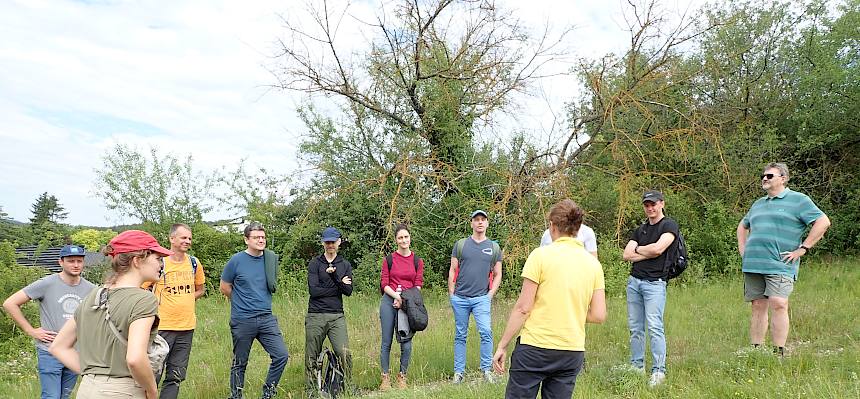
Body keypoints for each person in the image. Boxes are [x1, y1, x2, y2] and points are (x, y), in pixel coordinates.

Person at [493, 199, 606, 398]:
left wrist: (503, 345)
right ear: (578, 228)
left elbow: (523, 308)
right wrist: (571, 310)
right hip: (571, 351)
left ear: (552, 227)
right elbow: (598, 314)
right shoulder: (593, 264)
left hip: (535, 348)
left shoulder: (540, 256)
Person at [49, 230, 173, 399]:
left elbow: (58, 347)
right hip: (124, 391)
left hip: (87, 389)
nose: (161, 265)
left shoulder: (93, 296)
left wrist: (94, 375)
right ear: (137, 260)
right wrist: (151, 390)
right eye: (158, 259)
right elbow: (135, 358)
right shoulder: (144, 299)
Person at [736, 162, 830, 356]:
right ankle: (757, 350)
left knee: (779, 302)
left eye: (769, 176)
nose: (764, 178)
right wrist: (743, 249)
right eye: (763, 175)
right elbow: (742, 226)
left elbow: (823, 221)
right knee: (757, 305)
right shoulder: (759, 203)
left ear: (783, 178)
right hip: (754, 263)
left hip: (781, 263)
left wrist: (803, 248)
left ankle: (779, 352)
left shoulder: (799, 200)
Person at [3, 244, 95, 399]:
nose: (76, 265)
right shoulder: (47, 283)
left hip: (75, 351)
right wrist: (30, 330)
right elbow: (10, 303)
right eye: (71, 261)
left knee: (65, 396)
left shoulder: (91, 289)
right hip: (49, 349)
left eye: (79, 261)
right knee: (51, 396)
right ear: (61, 262)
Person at [220, 222, 288, 399]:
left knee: (281, 355)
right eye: (256, 237)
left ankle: (268, 394)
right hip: (243, 319)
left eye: (263, 237)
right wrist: (241, 302)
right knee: (240, 362)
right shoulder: (236, 261)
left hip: (266, 318)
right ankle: (236, 396)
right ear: (246, 240)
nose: (261, 240)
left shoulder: (269, 259)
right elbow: (225, 287)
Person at [621, 190, 679, 387]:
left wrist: (643, 250)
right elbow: (627, 255)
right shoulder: (640, 230)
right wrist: (646, 251)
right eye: (646, 205)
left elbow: (658, 249)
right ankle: (637, 367)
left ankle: (658, 370)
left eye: (653, 204)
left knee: (654, 326)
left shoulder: (669, 225)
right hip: (635, 282)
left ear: (661, 203)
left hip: (655, 283)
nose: (650, 208)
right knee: (635, 327)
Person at [143, 224, 205, 399]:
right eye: (183, 237)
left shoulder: (194, 263)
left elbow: (200, 289)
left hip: (186, 328)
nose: (187, 241)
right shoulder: (159, 262)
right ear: (172, 239)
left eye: (190, 238)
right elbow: (141, 288)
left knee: (176, 376)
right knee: (153, 373)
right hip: (161, 328)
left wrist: (184, 298)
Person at [448, 209, 503, 384]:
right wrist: (452, 293)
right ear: (471, 223)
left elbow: (498, 273)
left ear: (487, 223)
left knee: (486, 332)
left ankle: (487, 370)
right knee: (460, 335)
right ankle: (459, 373)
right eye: (476, 219)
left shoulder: (494, 247)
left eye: (483, 220)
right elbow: (453, 269)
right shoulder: (461, 244)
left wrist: (490, 295)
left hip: (481, 299)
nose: (480, 222)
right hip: (460, 298)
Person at [305, 226, 354, 397]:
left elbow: (349, 291)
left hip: (336, 316)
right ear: (322, 243)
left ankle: (348, 386)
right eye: (327, 242)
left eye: (333, 242)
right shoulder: (315, 263)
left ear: (339, 242)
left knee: (343, 352)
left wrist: (333, 280)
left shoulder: (345, 264)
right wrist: (338, 284)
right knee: (312, 354)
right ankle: (311, 390)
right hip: (315, 315)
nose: (330, 245)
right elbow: (314, 291)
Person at [378, 224, 425, 390]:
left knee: (406, 342)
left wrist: (404, 300)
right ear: (396, 240)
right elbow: (384, 284)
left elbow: (417, 284)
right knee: (386, 342)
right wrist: (397, 297)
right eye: (400, 238)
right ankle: (385, 378)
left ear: (410, 238)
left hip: (408, 304)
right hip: (389, 301)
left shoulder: (417, 261)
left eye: (406, 237)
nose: (403, 240)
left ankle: (402, 376)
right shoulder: (389, 260)